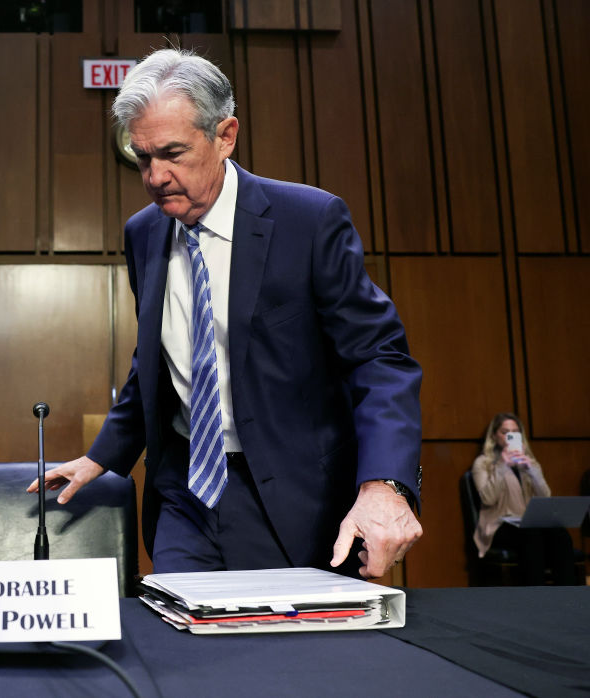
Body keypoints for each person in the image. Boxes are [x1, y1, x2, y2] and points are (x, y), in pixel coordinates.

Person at [30, 49, 423, 578]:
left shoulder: (308, 221)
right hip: (184, 492)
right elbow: (159, 362)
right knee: (179, 629)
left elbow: (379, 358)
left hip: (293, 500)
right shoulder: (143, 233)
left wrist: (386, 484)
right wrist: (102, 455)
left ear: (225, 135)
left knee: (279, 636)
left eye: (172, 153)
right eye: (143, 157)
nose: (156, 176)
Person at [471, 413, 576, 585]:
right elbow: (488, 499)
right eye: (505, 432)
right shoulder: (483, 463)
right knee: (531, 535)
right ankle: (535, 593)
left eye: (515, 432)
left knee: (560, 533)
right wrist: (502, 466)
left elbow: (546, 497)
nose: (510, 436)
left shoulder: (530, 462)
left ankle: (568, 593)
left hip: (528, 522)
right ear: (494, 436)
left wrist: (532, 471)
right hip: (499, 525)